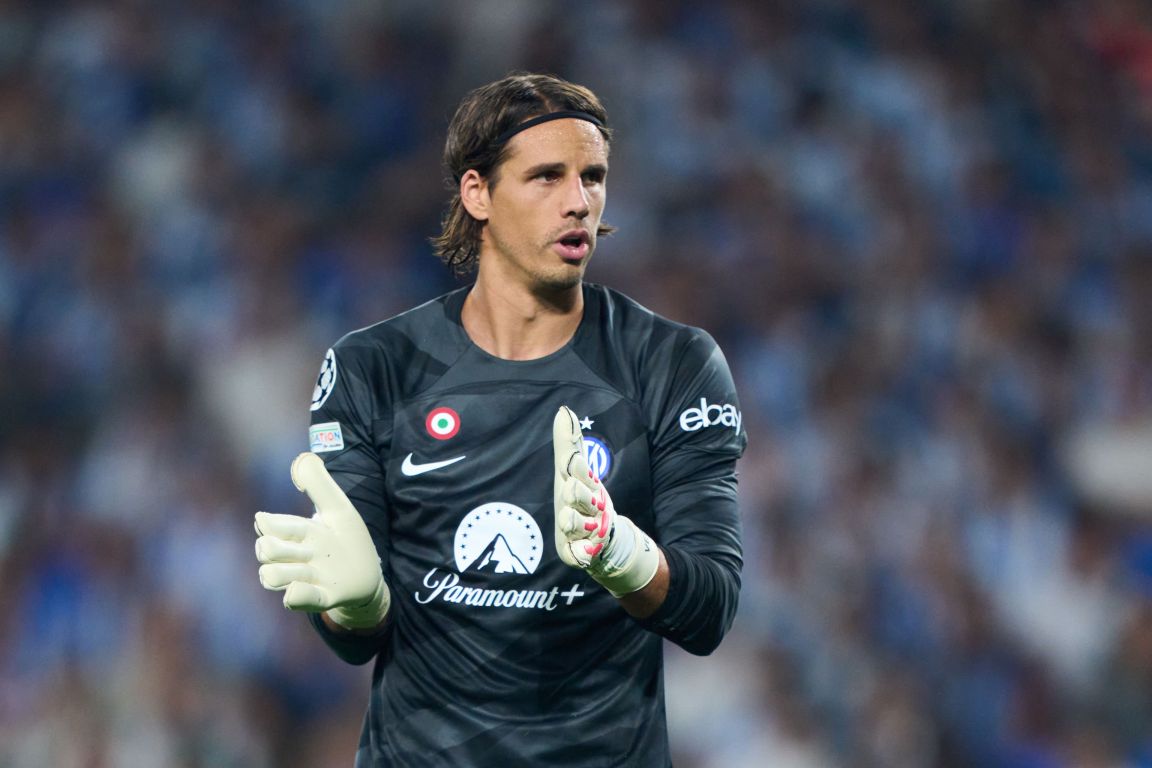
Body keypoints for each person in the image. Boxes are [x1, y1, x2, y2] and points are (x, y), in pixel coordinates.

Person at [253, 72, 747, 767]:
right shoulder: (376, 367)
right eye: (546, 177)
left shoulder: (672, 363)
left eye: (593, 176)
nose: (580, 202)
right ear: (476, 192)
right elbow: (352, 635)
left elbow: (710, 610)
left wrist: (623, 555)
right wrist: (355, 604)